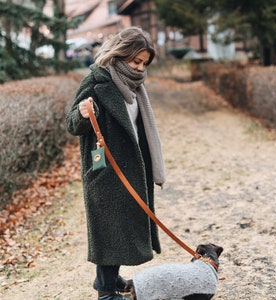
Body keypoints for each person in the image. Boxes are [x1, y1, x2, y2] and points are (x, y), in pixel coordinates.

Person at [66, 27, 166, 300]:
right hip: (106, 169)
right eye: (136, 61)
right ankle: (105, 290)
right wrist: (83, 113)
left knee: (125, 225)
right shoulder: (96, 81)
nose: (140, 67)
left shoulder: (136, 86)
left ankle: (112, 278)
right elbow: (71, 125)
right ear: (120, 55)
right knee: (109, 228)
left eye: (144, 62)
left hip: (134, 165)